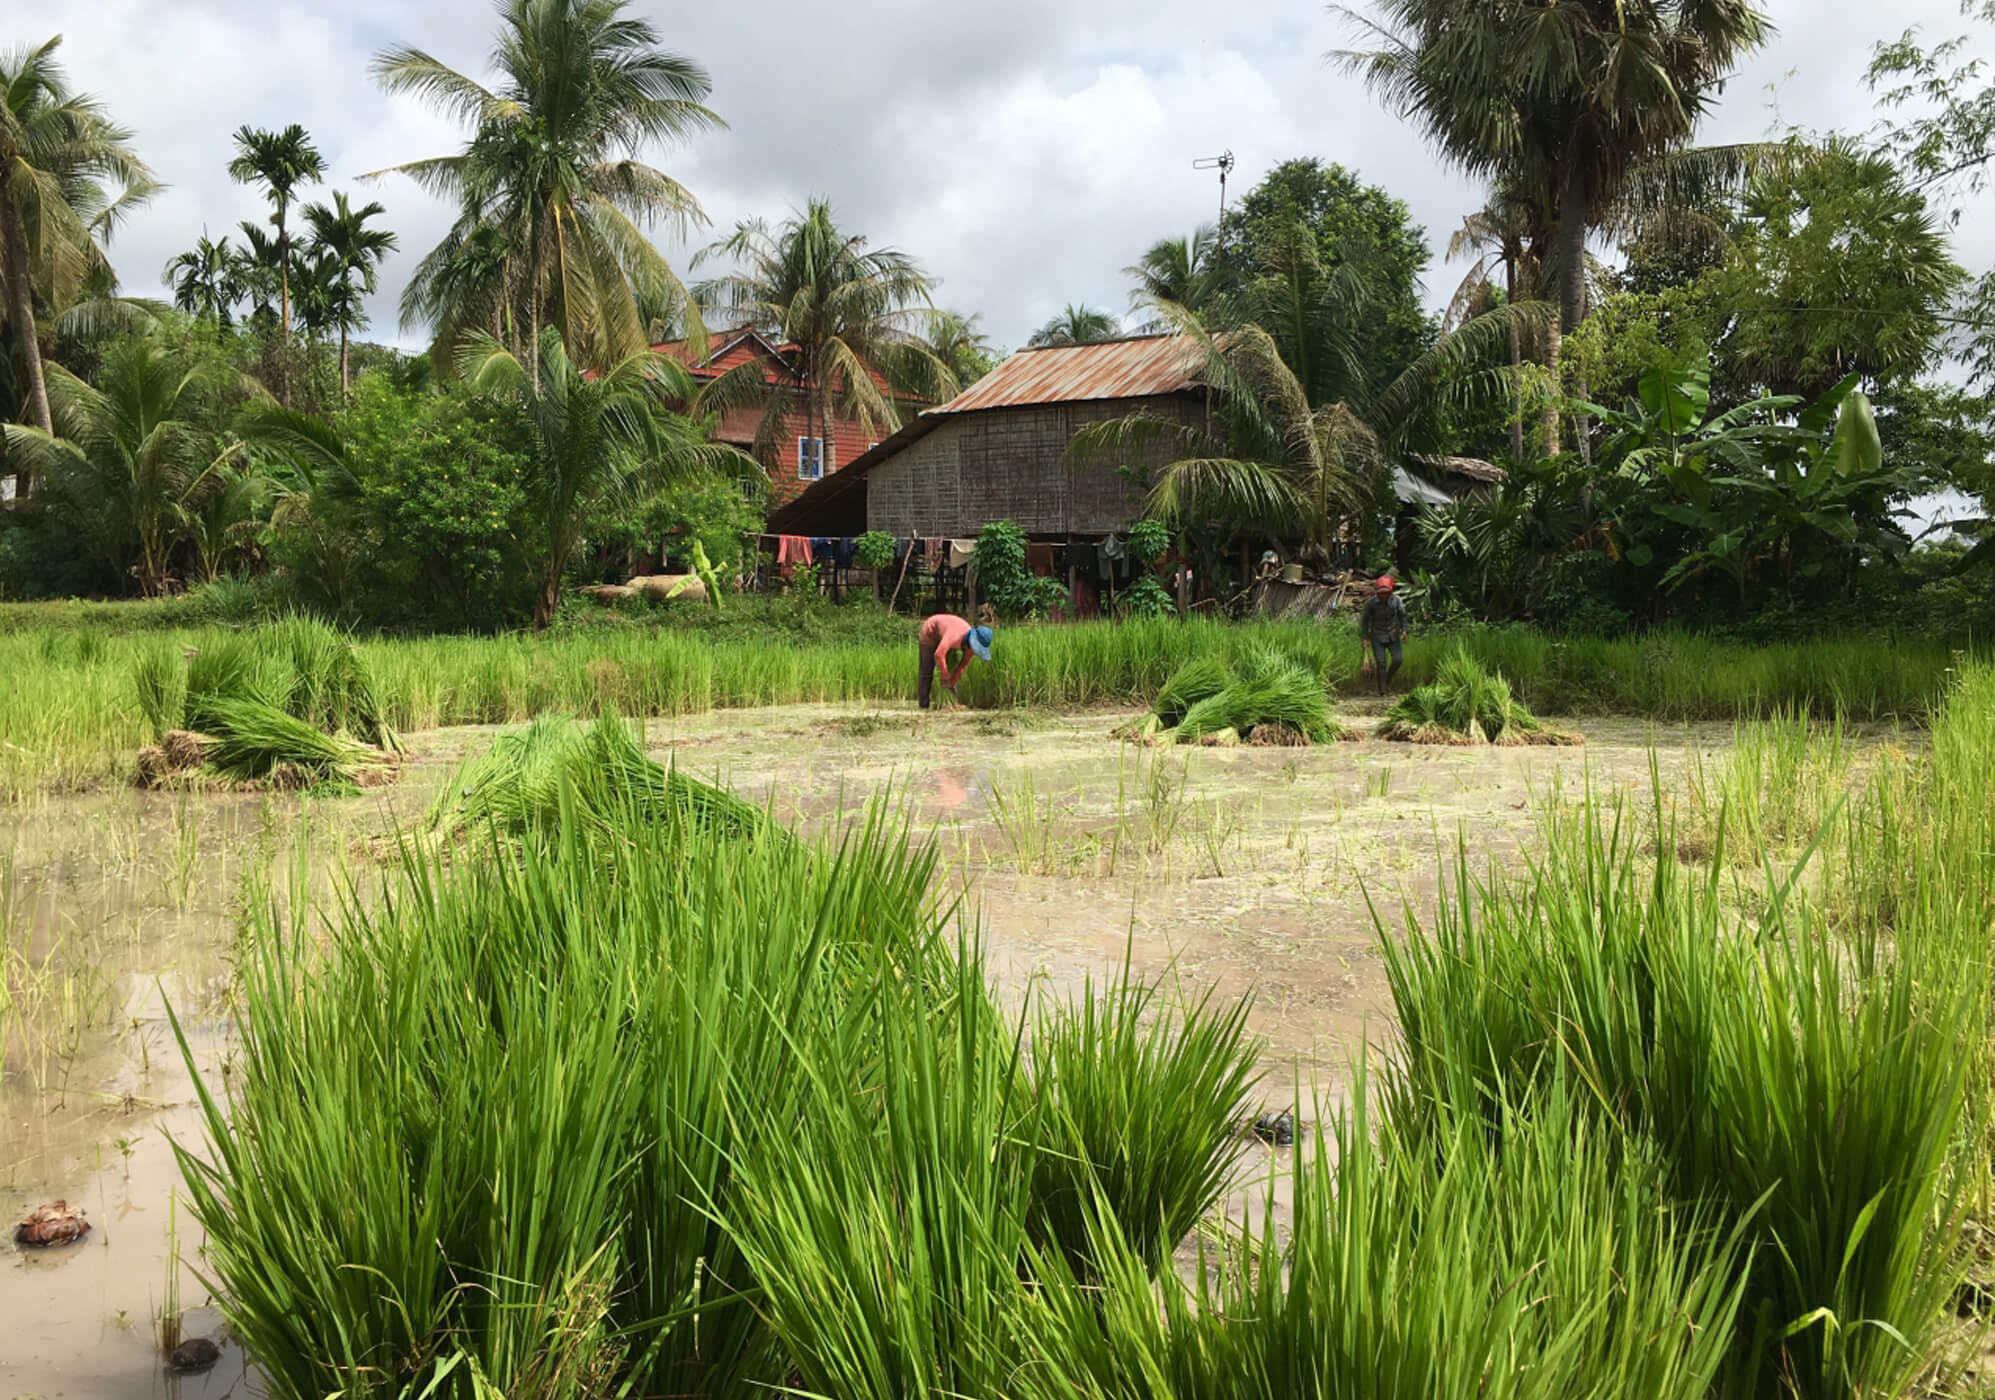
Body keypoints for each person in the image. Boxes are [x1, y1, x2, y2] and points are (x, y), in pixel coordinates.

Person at [917, 612, 993, 709]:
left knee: (951, 669)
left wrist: (953, 680)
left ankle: (952, 702)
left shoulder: (971, 647)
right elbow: (939, 654)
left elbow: (963, 664)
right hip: (930, 632)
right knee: (926, 671)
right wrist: (945, 675)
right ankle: (923, 705)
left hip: (945, 635)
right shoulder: (954, 636)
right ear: (971, 640)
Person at [1358, 575, 1409, 696]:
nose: (1383, 595)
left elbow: (1402, 616)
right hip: (1377, 636)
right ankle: (1383, 690)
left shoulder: (1396, 600)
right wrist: (1365, 638)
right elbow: (1364, 622)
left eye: (1385, 593)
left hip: (1392, 634)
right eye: (1380, 593)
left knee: (1398, 660)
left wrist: (1404, 630)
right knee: (1381, 663)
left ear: (1390, 592)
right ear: (1377, 593)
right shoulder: (1370, 604)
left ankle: (1387, 680)